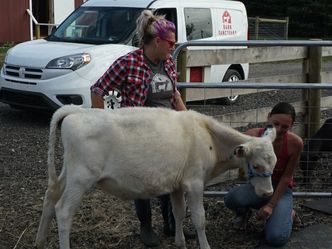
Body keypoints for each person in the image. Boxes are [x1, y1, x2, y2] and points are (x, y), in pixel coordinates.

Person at [90, 10, 187, 247]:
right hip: (138, 134)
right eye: (171, 43)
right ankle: (145, 226)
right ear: (157, 41)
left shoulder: (169, 63)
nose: (173, 47)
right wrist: (105, 125)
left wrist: (189, 120)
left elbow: (174, 95)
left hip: (169, 133)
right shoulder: (128, 62)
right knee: (142, 181)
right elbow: (97, 90)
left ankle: (171, 223)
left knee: (171, 178)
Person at [224, 102, 304, 247]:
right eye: (276, 123)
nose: (279, 129)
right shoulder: (252, 137)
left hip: (280, 189)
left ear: (292, 125)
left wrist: (271, 206)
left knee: (276, 238)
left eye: (285, 127)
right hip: (258, 186)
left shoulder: (295, 143)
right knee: (231, 198)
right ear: (268, 118)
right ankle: (244, 214)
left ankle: (289, 214)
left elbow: (287, 177)